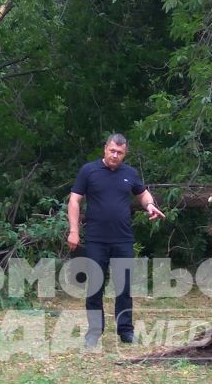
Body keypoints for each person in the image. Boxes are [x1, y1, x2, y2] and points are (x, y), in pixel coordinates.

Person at [68, 133, 163, 347]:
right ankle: (94, 333)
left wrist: (149, 205)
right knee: (95, 287)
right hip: (95, 239)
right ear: (105, 149)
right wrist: (74, 231)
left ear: (125, 153)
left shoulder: (129, 173)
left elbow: (143, 193)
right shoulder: (89, 171)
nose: (115, 155)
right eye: (112, 150)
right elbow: (74, 200)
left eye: (119, 152)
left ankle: (126, 332)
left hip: (123, 239)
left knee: (124, 287)